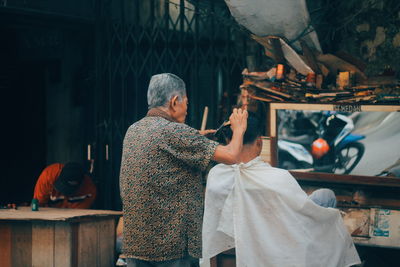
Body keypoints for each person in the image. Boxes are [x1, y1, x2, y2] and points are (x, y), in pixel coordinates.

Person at [119, 73, 248, 267]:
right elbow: (232, 156)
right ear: (174, 101)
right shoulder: (176, 132)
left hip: (137, 245)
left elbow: (163, 148)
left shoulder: (134, 130)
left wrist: (195, 137)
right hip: (170, 247)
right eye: (186, 103)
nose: (187, 109)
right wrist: (239, 128)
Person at [202, 113, 361, 267]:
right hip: (277, 250)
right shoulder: (279, 178)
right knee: (326, 196)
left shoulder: (217, 176)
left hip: (233, 249)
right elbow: (300, 216)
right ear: (259, 142)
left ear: (229, 139)